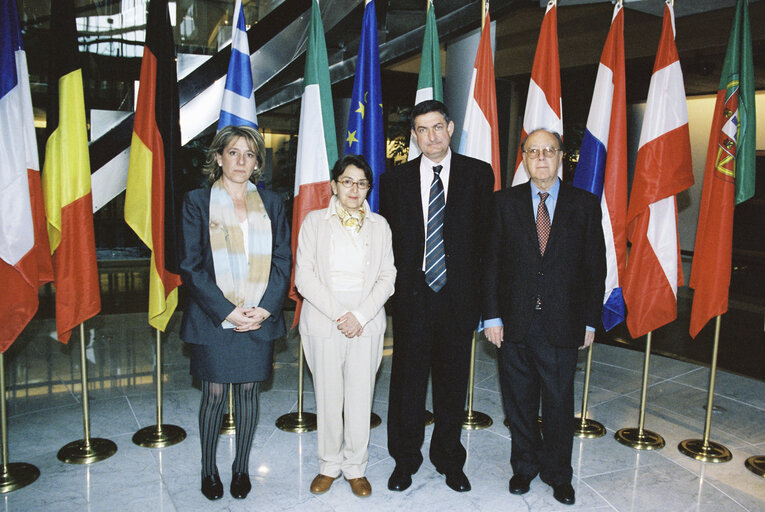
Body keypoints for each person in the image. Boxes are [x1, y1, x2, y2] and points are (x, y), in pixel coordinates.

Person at [482, 129, 606, 506]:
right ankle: (524, 466)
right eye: (533, 151)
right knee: (518, 400)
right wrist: (491, 317)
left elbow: (594, 268)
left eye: (548, 151)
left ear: (561, 156)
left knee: (557, 402)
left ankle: (558, 473)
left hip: (562, 322)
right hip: (514, 322)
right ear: (523, 158)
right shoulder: (503, 203)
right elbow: (491, 265)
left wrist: (588, 321)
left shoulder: (583, 204)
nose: (541, 158)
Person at [380, 100, 494, 493]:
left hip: (458, 300)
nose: (431, 136)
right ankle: (405, 460)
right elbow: (387, 245)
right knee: (407, 385)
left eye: (437, 127)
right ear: (414, 135)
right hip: (412, 299)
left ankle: (449, 460)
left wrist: (485, 302)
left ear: (451, 127)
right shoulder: (393, 180)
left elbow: (487, 242)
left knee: (451, 384)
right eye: (422, 130)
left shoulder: (479, 175)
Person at [179, 125, 291, 501]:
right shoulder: (197, 201)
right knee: (212, 393)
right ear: (218, 158)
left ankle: (241, 468)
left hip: (259, 315)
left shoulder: (273, 204)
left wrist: (263, 308)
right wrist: (228, 311)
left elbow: (281, 260)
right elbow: (191, 266)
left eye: (249, 154)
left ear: (257, 162)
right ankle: (208, 469)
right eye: (233, 152)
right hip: (213, 318)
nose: (241, 161)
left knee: (247, 392)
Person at [295, 154, 396, 498]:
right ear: (334, 184)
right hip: (325, 321)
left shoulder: (380, 225)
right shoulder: (314, 222)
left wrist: (360, 315)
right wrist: (341, 315)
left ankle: (355, 467)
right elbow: (304, 277)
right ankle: (328, 465)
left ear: (369, 187)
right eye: (347, 181)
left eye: (362, 183)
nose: (354, 189)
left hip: (366, 323)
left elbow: (388, 277)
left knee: (359, 395)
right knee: (328, 395)